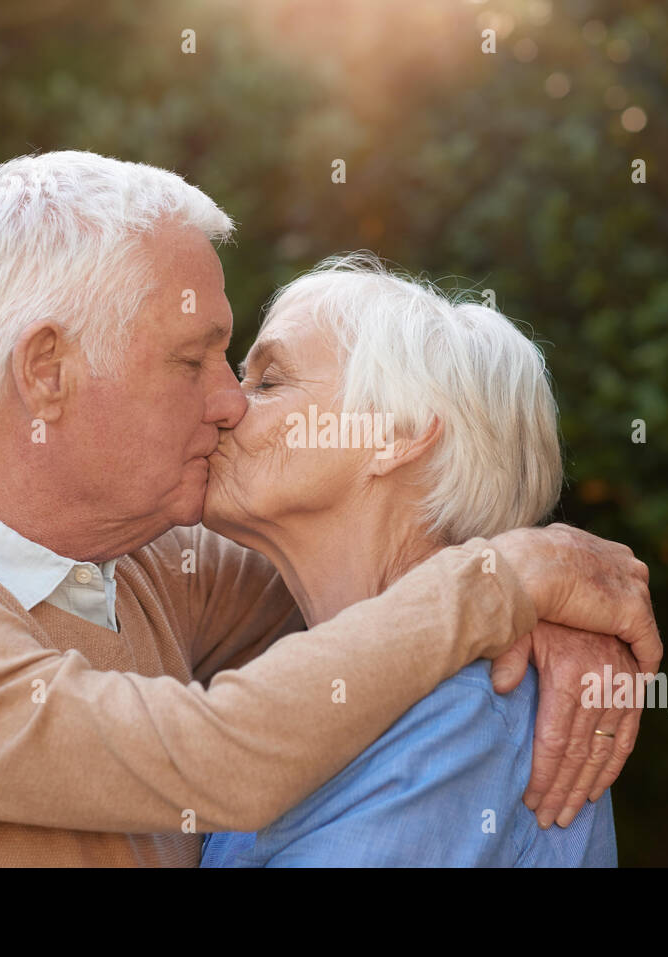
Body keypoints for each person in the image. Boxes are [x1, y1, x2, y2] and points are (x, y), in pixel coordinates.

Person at [0, 151, 659, 866]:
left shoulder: (146, 557)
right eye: (192, 358)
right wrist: (510, 582)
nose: (230, 400)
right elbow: (217, 753)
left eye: (250, 367)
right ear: (47, 372)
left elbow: (391, 571)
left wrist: (558, 599)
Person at [201, 255, 620, 866]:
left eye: (267, 383)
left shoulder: (460, 710)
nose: (223, 406)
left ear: (396, 436)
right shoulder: (324, 669)